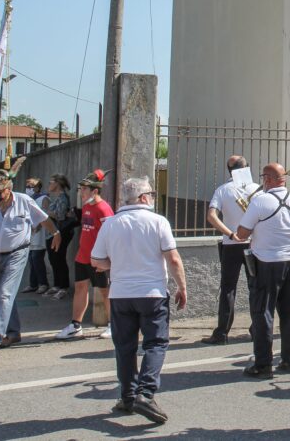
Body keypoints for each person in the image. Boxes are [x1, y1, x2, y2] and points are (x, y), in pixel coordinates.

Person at [91, 176, 187, 425]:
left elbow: (96, 261)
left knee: (124, 347)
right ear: (144, 198)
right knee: (156, 343)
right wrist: (181, 286)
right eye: (152, 194)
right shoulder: (158, 221)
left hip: (121, 293)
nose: (153, 198)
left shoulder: (110, 224)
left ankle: (127, 396)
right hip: (152, 293)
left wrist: (118, 264)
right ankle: (146, 393)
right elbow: (173, 259)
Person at [0, 168, 60, 350]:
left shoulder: (24, 201)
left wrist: (56, 233)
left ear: (8, 189)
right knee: (0, 296)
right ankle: (13, 333)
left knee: (4, 294)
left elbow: (43, 218)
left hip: (17, 253)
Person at [238, 162, 290, 378]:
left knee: (262, 312)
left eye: (263, 177)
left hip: (267, 262)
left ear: (268, 179)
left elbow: (242, 233)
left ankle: (263, 363)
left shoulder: (260, 201)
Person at [201, 156, 255, 345]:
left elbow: (211, 216)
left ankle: (221, 333)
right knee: (255, 287)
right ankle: (256, 328)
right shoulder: (256, 188)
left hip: (231, 245)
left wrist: (231, 234)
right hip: (253, 244)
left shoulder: (223, 190)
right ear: (246, 168)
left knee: (228, 289)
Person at [55, 169, 114, 340]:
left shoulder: (104, 209)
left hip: (98, 259)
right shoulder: (87, 206)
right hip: (82, 256)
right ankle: (75, 325)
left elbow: (110, 235)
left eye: (84, 190)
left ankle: (113, 324)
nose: (81, 193)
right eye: (80, 189)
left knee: (105, 291)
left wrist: (106, 259)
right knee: (80, 289)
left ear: (95, 191)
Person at [44, 174, 75, 299]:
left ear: (57, 183)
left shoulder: (63, 198)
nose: (49, 185)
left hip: (60, 233)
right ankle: (56, 285)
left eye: (51, 182)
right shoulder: (56, 197)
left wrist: (45, 212)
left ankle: (64, 287)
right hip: (52, 233)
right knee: (53, 259)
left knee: (59, 259)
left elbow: (60, 216)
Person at [20, 177, 50, 294]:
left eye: (31, 186)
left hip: (39, 234)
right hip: (29, 234)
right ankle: (33, 284)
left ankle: (43, 284)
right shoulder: (27, 199)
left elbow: (45, 216)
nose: (28, 188)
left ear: (38, 187)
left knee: (37, 259)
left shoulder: (44, 198)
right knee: (31, 261)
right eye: (27, 186)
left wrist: (38, 226)